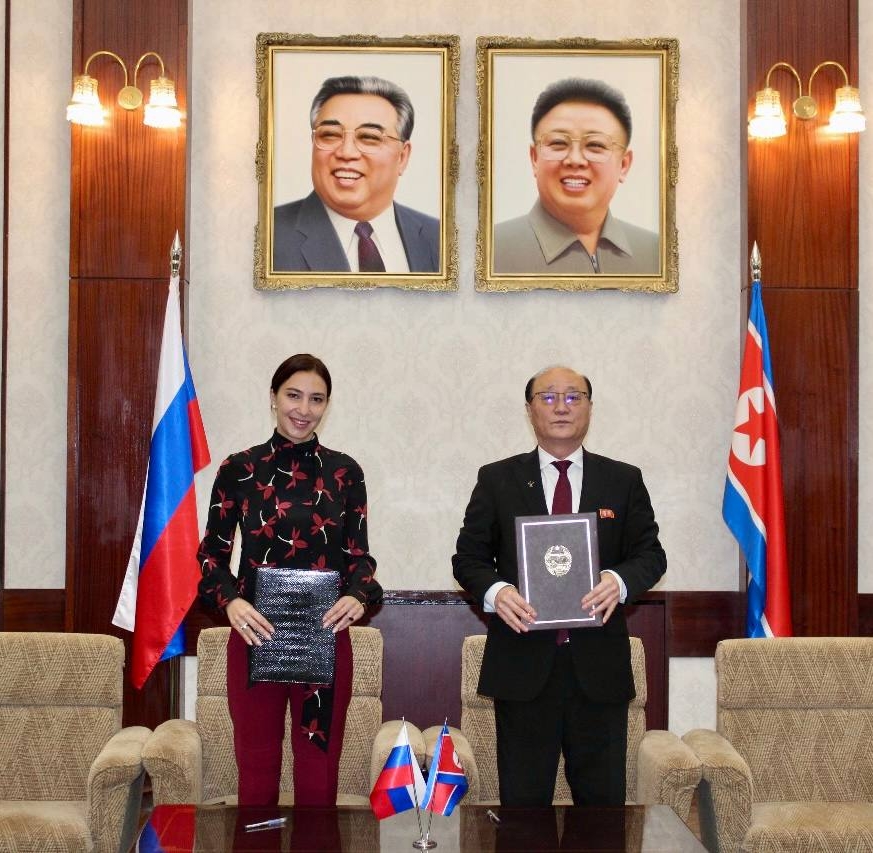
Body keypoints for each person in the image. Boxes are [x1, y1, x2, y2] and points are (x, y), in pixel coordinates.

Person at [452, 365, 666, 806]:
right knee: (523, 813)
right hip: (524, 667)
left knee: (603, 813)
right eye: (548, 397)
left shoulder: (623, 480)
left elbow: (651, 555)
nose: (562, 406)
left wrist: (619, 581)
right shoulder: (497, 479)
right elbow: (468, 559)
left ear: (589, 407)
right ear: (530, 409)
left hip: (598, 669)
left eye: (574, 396)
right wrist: (497, 593)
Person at [197, 353, 383, 806]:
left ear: (327, 405)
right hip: (254, 637)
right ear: (274, 399)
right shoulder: (238, 469)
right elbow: (210, 559)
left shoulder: (345, 472)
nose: (304, 408)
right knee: (257, 775)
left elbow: (360, 561)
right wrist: (233, 603)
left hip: (324, 639)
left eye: (316, 399)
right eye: (293, 395)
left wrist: (360, 595)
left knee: (319, 777)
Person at [272, 75, 440, 274]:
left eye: (369, 137)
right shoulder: (269, 234)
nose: (346, 152)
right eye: (330, 135)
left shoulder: (439, 237)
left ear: (402, 157)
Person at [493, 78, 660, 276]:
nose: (575, 160)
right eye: (558, 143)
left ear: (623, 165)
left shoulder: (656, 253)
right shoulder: (492, 249)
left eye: (595, 145)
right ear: (535, 158)